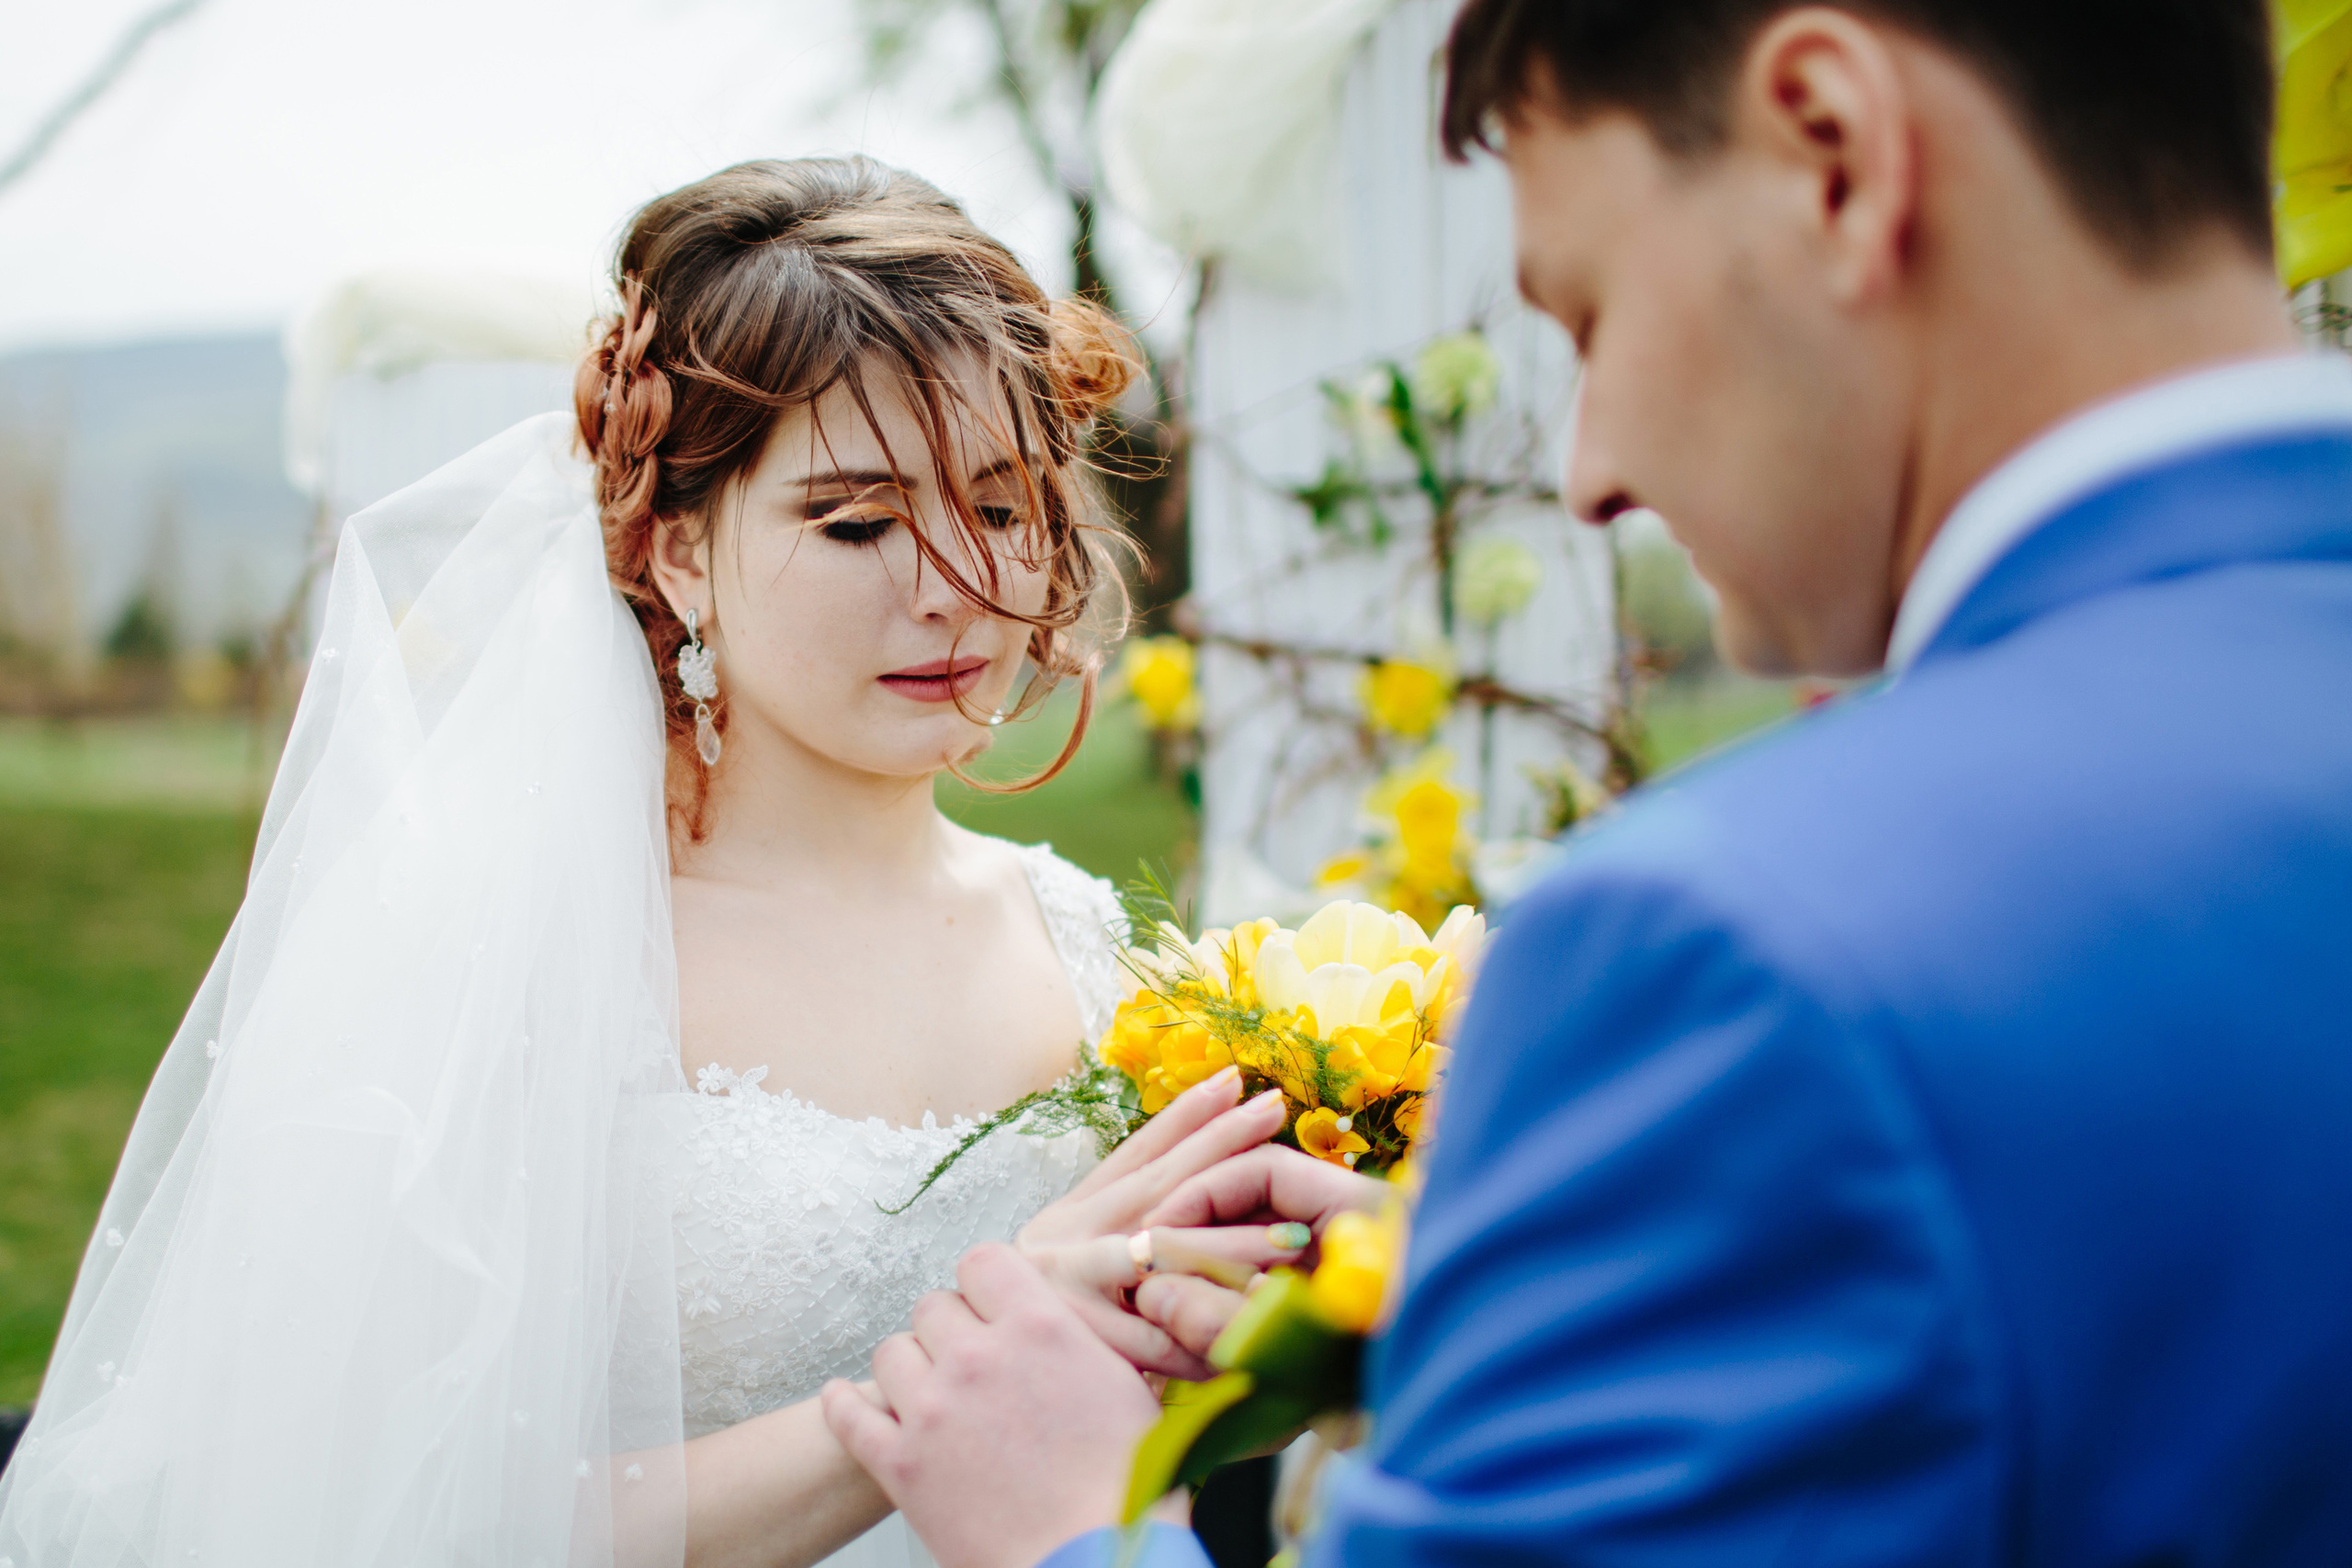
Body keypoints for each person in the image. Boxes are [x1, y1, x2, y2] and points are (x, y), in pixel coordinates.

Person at [816, 3, 2352, 1565]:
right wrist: (1594, 1314)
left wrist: (1075, 1526)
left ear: (1833, 150)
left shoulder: (1735, 946)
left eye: (1593, 316)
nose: (1589, 469)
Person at [0, 156, 1294, 1568]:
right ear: (678, 551)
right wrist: (961, 1366)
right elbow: (395, 1504)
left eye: (997, 505)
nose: (953, 587)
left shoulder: (1084, 933)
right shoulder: (519, 953)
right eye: (856, 520)